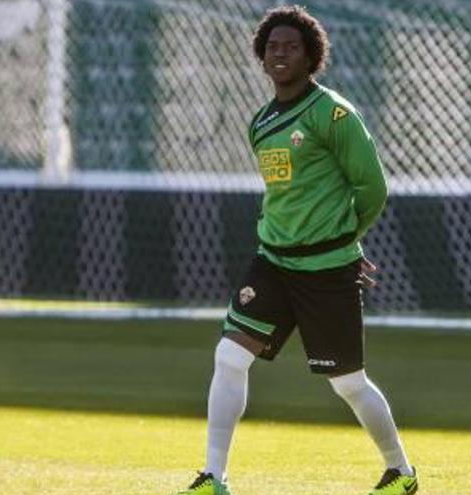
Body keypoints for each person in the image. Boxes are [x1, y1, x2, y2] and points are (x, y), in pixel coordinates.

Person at [175, 5, 417, 495]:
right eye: (271, 47)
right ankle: (213, 478)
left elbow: (371, 187)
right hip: (272, 262)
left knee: (348, 383)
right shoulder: (260, 121)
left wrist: (344, 240)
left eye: (290, 46)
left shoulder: (334, 114)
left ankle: (401, 472)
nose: (279, 53)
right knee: (229, 355)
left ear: (311, 56)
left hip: (327, 271)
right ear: (261, 58)